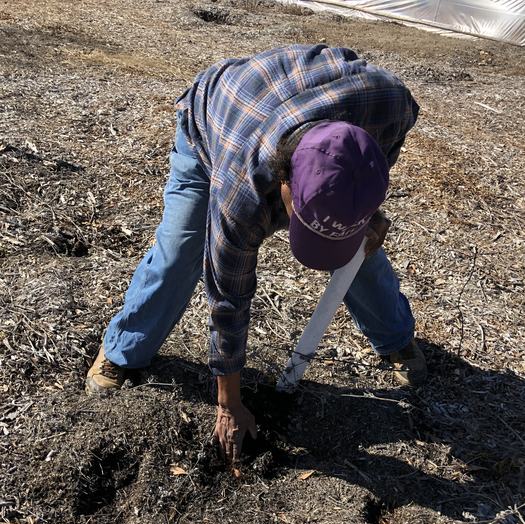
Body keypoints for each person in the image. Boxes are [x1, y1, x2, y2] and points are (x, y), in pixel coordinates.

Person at [86, 44, 427, 462]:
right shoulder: (241, 189)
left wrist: (365, 209)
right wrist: (229, 402)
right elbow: (228, 296)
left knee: (362, 249)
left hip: (304, 103)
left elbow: (381, 153)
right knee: (180, 250)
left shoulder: (390, 102)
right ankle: (124, 348)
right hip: (217, 121)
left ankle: (395, 338)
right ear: (283, 186)